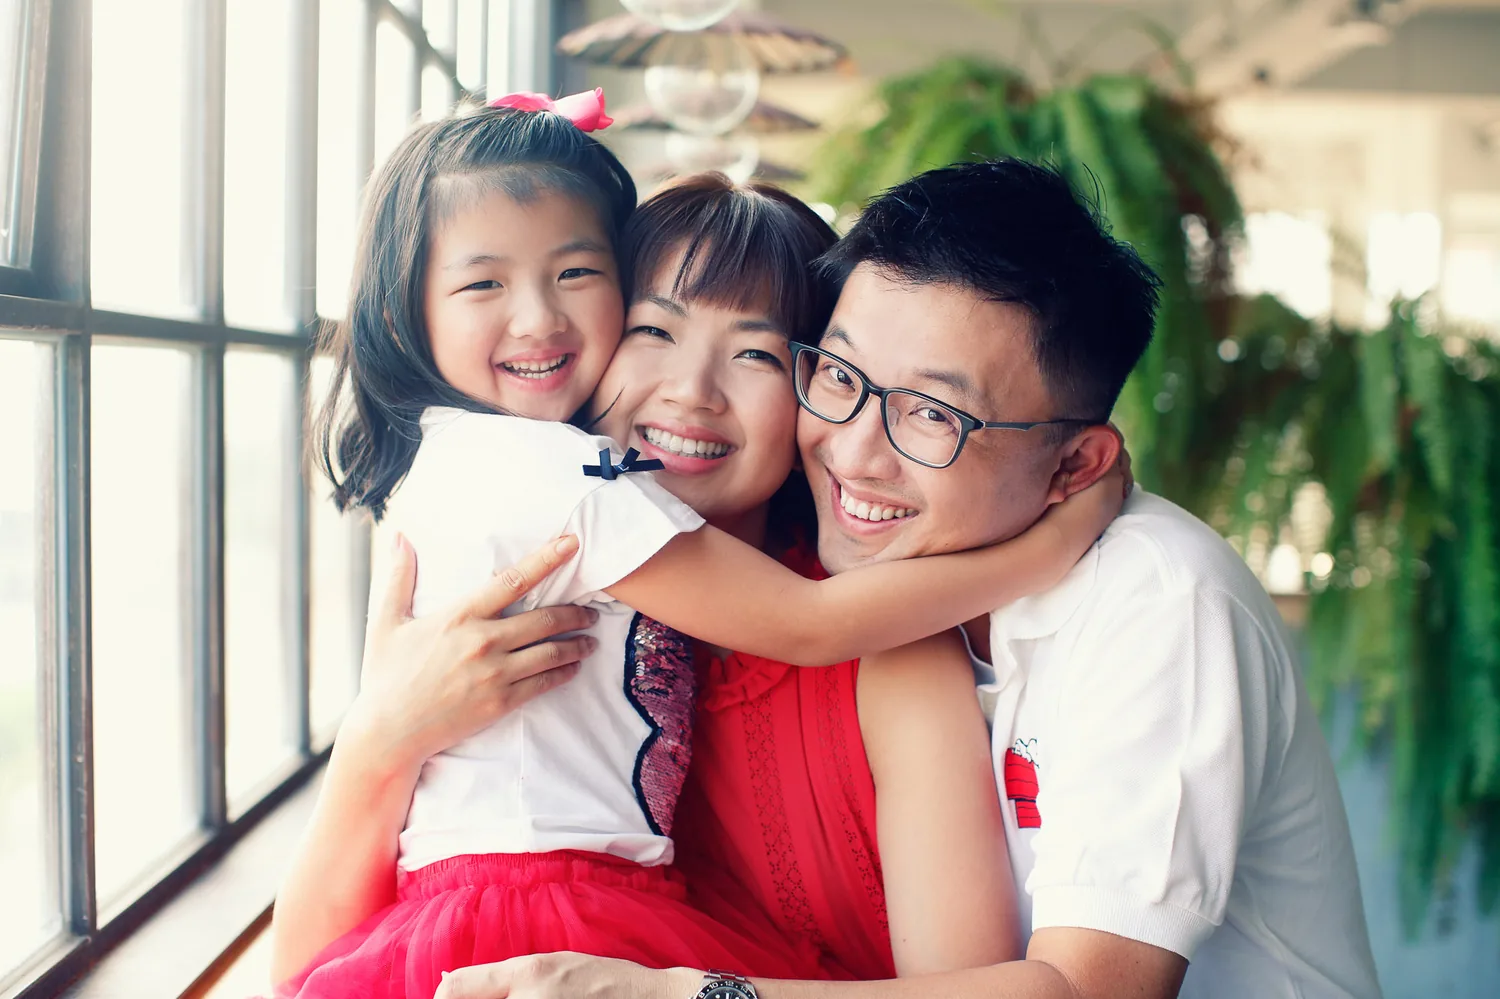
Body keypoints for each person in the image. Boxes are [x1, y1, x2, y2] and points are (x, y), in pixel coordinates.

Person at [434, 160, 1384, 999]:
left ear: (1074, 468)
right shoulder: (636, 640)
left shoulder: (1159, 601)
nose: (850, 453)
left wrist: (683, 997)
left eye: (931, 414)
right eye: (838, 376)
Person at [269, 92, 1121, 999]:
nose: (691, 392)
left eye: (755, 354)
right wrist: (377, 738)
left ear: (821, 386)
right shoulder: (499, 606)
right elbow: (309, 971)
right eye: (653, 330)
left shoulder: (889, 645)